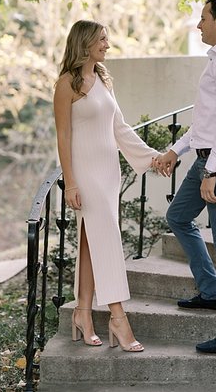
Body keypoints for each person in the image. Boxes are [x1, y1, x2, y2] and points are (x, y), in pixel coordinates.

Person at [53, 20, 164, 353]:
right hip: (85, 173)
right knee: (108, 241)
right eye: (102, 39)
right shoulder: (65, 85)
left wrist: (152, 157)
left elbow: (120, 127)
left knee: (92, 242)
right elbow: (63, 136)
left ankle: (83, 314)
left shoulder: (102, 79)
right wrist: (70, 181)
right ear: (85, 43)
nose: (108, 44)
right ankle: (117, 316)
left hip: (108, 172)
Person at [154, 0, 216, 355]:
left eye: (203, 18)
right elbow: (206, 123)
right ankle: (212, 292)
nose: (198, 25)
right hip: (206, 160)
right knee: (178, 216)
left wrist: (211, 170)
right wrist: (175, 151)